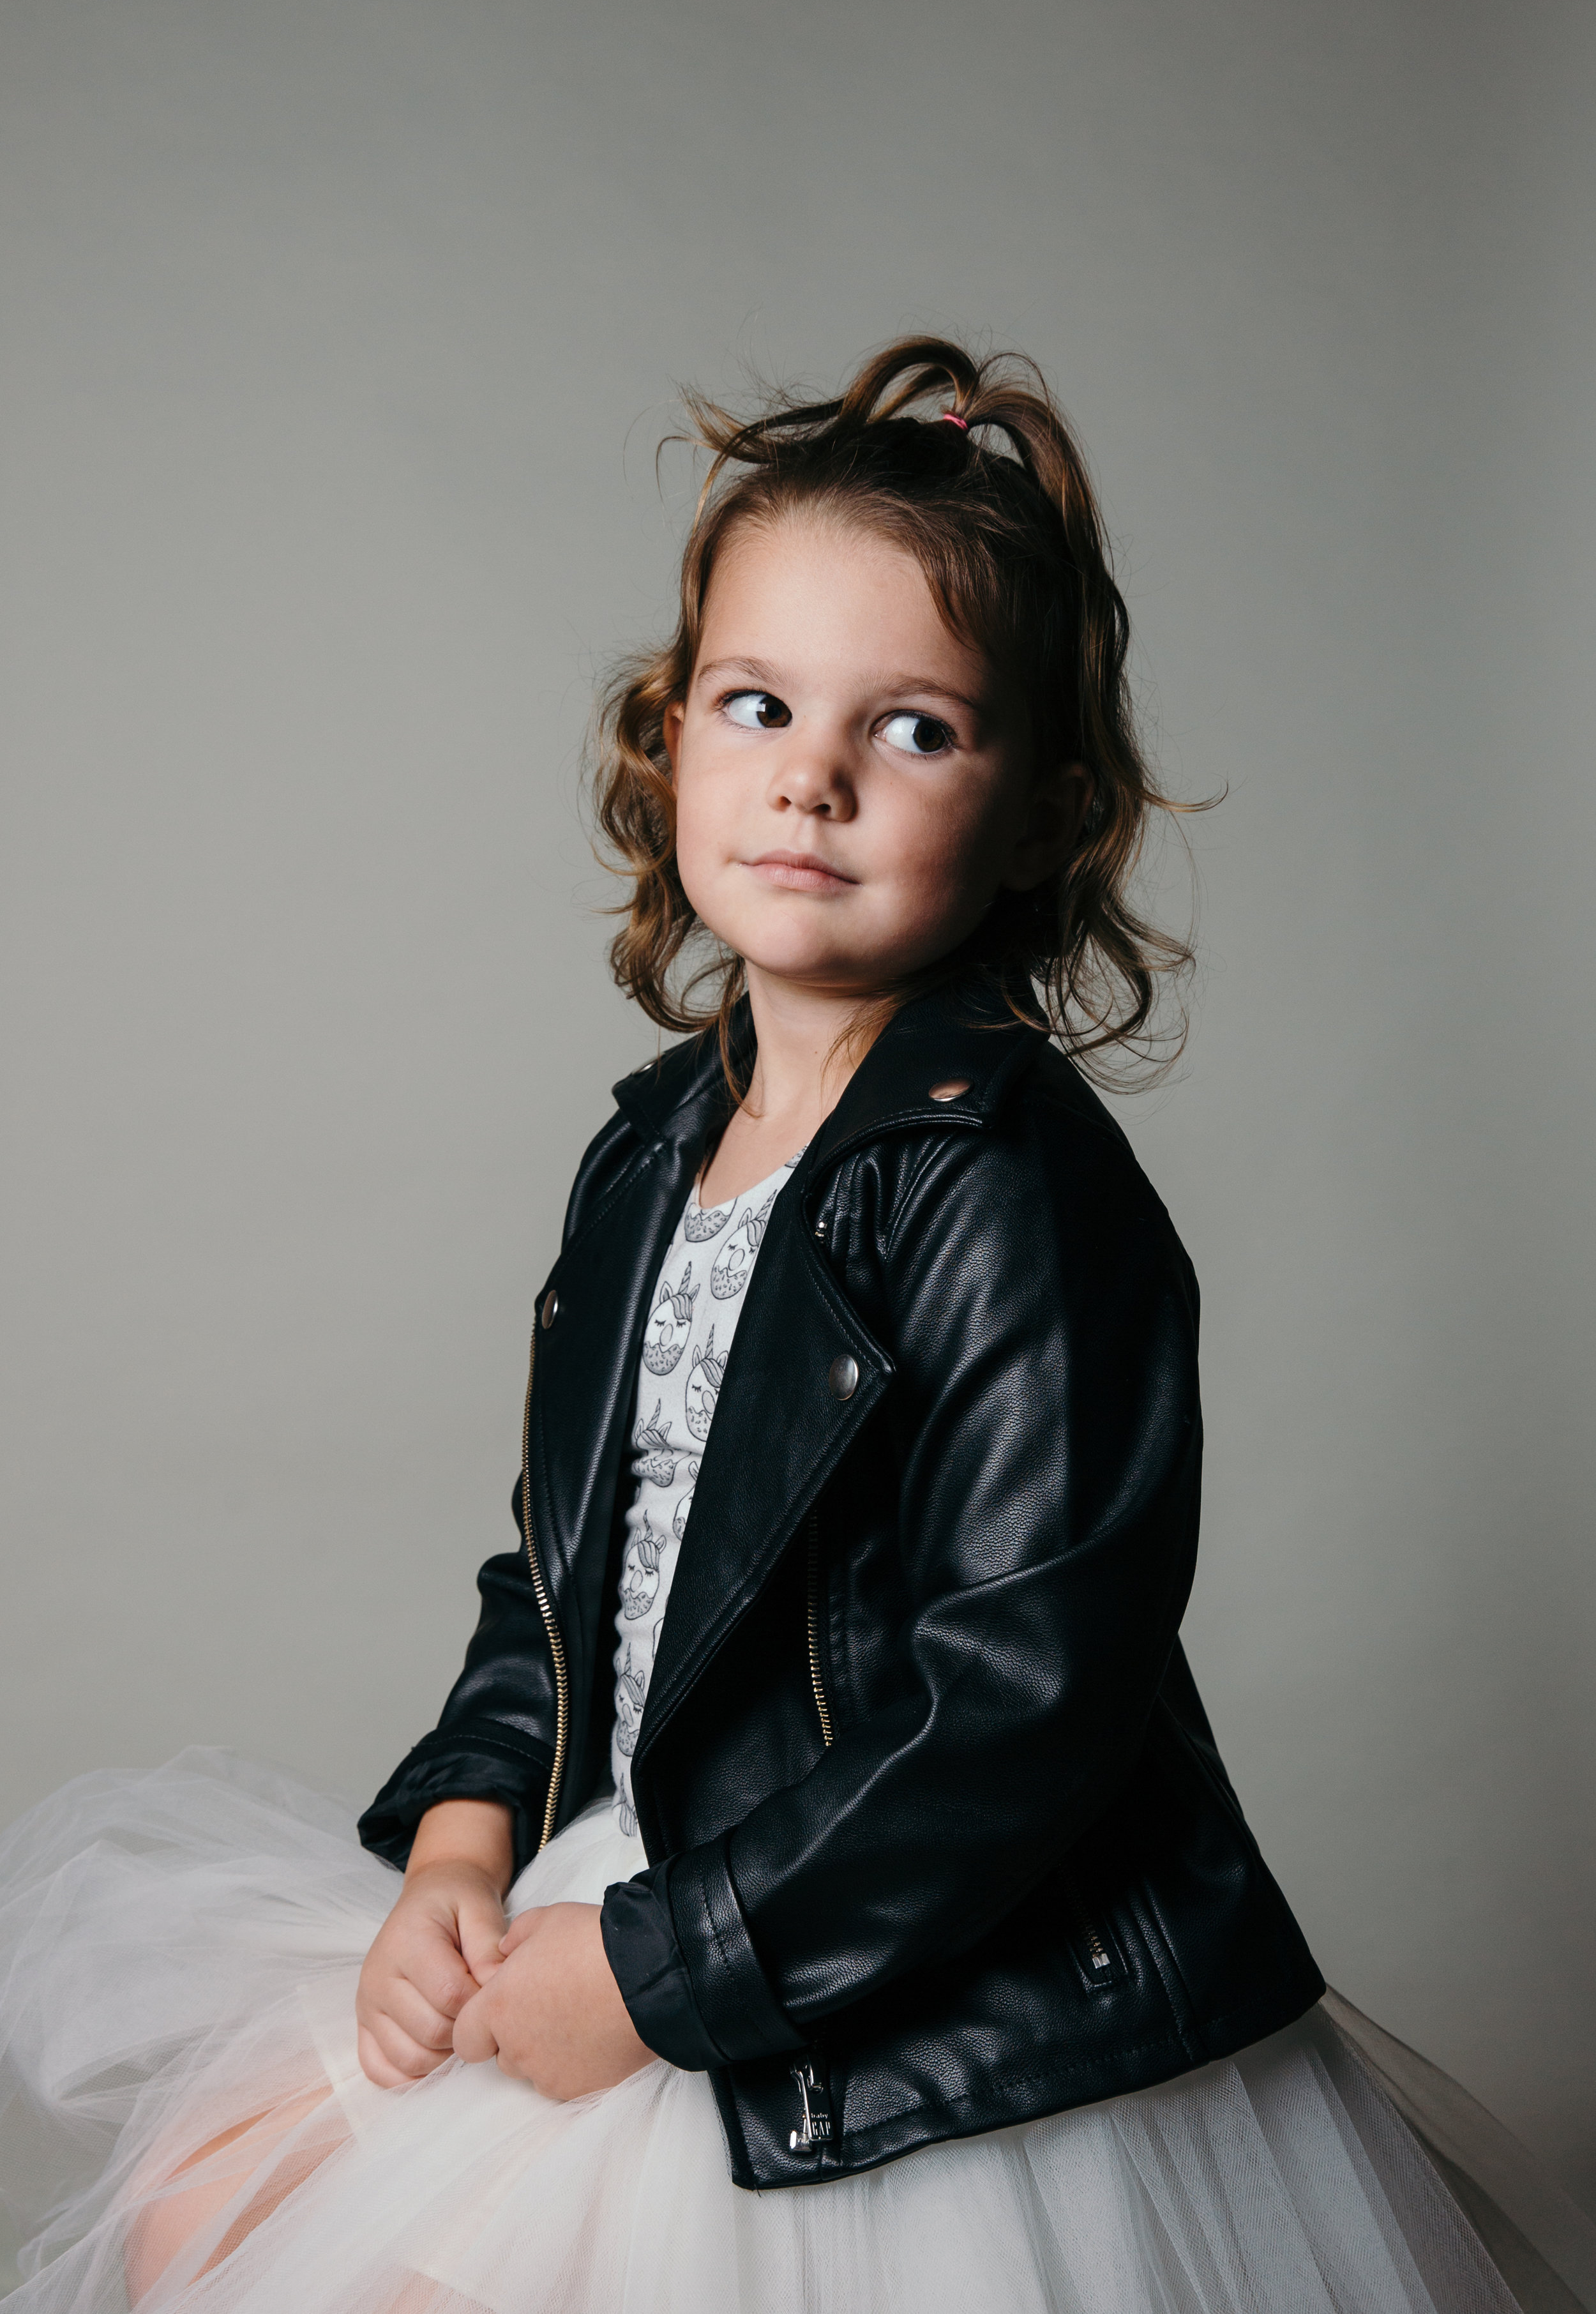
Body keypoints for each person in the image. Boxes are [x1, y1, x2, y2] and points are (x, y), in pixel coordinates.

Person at [1, 338, 1591, 2314]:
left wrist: (671, 1976)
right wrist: (464, 1839)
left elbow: (1020, 1699)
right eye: (758, 705)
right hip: (664, 1860)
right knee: (208, 2221)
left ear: (1042, 813)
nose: (814, 776)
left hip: (901, 1940)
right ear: (670, 741)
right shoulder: (653, 1150)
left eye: (913, 729)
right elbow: (568, 1577)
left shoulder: (1015, 1186)